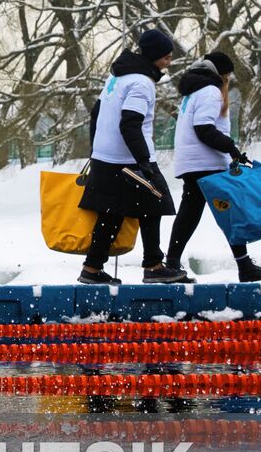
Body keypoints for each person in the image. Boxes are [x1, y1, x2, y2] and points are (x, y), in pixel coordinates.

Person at [78, 29, 188, 285]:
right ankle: (153, 266)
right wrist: (144, 163)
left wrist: (96, 150)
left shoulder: (116, 78)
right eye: (165, 57)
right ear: (153, 56)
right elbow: (130, 124)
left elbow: (97, 112)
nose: (168, 62)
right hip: (128, 159)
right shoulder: (141, 83)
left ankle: (92, 269)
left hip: (107, 157)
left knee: (111, 213)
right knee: (154, 204)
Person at [164, 52, 261, 282]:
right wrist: (231, 148)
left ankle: (172, 264)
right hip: (206, 162)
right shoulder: (210, 91)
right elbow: (204, 129)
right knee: (229, 212)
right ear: (222, 74)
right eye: (227, 76)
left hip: (194, 162)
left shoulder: (195, 90)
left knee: (191, 213)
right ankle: (244, 267)